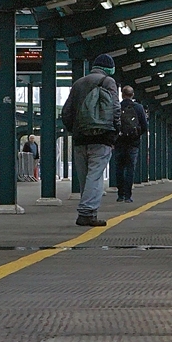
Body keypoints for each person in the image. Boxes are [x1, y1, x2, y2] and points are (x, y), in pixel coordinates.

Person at [61, 54, 119, 227]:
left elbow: (66, 112)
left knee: (85, 177)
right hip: (102, 137)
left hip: (80, 138)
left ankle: (90, 211)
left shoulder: (78, 83)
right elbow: (115, 108)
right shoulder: (108, 82)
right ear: (109, 68)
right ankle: (86, 212)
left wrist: (75, 130)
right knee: (95, 175)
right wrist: (116, 132)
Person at [114, 86, 148, 203]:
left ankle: (120, 195)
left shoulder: (118, 106)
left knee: (119, 167)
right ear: (132, 95)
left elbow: (112, 123)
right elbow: (144, 125)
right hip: (133, 143)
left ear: (122, 94)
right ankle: (128, 196)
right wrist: (136, 135)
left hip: (119, 141)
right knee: (130, 168)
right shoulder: (138, 107)